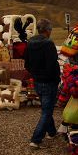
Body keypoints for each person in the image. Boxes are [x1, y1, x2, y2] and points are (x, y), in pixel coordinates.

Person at [24, 18, 60, 148]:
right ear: (47, 30)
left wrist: (35, 73)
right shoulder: (48, 44)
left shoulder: (30, 43)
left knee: (46, 108)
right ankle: (36, 139)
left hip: (37, 81)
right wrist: (56, 78)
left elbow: (26, 64)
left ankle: (52, 132)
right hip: (49, 82)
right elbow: (52, 64)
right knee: (47, 111)